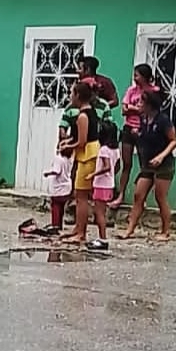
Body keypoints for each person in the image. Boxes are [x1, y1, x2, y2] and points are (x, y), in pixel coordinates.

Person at [118, 90, 176, 241]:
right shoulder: (143, 119)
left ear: (149, 105)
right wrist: (138, 134)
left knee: (160, 197)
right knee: (138, 195)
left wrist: (161, 156)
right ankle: (130, 229)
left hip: (164, 163)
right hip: (147, 163)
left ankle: (165, 231)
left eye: (141, 102)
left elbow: (173, 140)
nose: (138, 105)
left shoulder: (163, 120)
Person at [111, 64, 159, 209]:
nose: (134, 77)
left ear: (145, 77)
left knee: (145, 163)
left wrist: (135, 110)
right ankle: (121, 195)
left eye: (137, 75)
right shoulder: (131, 90)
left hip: (144, 129)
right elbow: (124, 110)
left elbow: (151, 111)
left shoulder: (153, 91)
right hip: (128, 128)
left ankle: (141, 196)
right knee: (126, 163)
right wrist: (135, 109)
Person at [60, 82, 101, 245]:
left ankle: (81, 233)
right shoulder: (88, 112)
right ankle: (77, 228)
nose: (70, 97)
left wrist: (67, 145)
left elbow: (82, 141)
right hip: (86, 154)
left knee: (81, 197)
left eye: (71, 93)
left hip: (87, 155)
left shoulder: (83, 116)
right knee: (79, 195)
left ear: (77, 95)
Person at [86, 123, 120, 250]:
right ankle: (102, 237)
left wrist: (93, 174)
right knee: (103, 213)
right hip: (109, 184)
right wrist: (111, 176)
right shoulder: (116, 150)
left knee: (99, 213)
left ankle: (102, 239)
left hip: (101, 184)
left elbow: (106, 167)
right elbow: (117, 167)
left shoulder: (104, 150)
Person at [43, 146, 73, 231]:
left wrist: (47, 173)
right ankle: (59, 225)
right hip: (67, 187)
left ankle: (55, 225)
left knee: (55, 206)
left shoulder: (58, 159)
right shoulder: (68, 160)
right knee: (62, 207)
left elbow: (57, 171)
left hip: (58, 187)